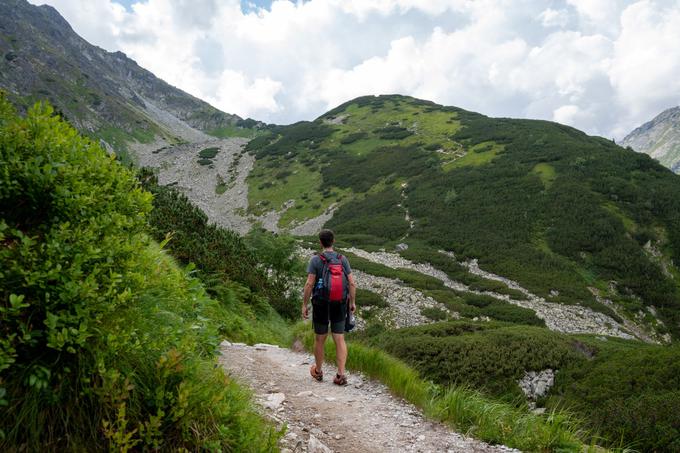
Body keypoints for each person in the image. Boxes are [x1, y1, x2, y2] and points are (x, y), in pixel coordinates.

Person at [302, 229, 356, 385]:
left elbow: (309, 284)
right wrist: (352, 302)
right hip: (339, 303)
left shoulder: (315, 260)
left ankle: (318, 372)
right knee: (339, 337)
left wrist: (304, 304)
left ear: (320, 242)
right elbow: (352, 283)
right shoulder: (342, 259)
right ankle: (340, 375)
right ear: (333, 241)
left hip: (321, 303)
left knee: (320, 338)